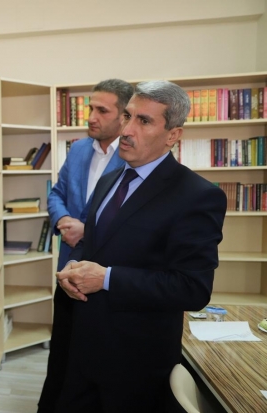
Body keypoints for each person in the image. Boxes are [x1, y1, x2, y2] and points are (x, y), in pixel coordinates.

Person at [55, 80, 227, 412]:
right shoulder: (110, 179)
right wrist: (72, 266)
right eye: (128, 116)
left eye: (144, 121)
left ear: (173, 135)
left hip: (137, 364)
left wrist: (106, 278)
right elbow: (92, 241)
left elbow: (192, 288)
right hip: (83, 349)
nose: (127, 130)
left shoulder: (197, 195)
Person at [39, 79, 133, 413]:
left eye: (102, 110)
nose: (91, 117)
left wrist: (86, 230)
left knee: (95, 361)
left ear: (123, 116)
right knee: (61, 353)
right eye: (90, 108)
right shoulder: (78, 149)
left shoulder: (134, 155)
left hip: (104, 276)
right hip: (67, 270)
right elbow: (56, 193)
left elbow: (132, 216)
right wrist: (64, 219)